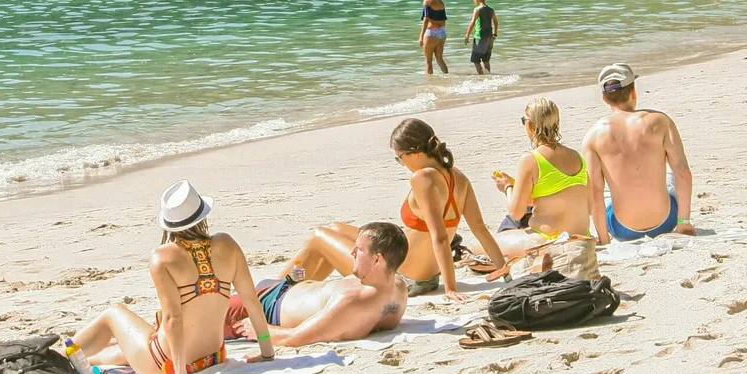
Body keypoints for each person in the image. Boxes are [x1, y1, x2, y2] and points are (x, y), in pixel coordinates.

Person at [284, 119, 509, 298]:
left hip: (400, 276)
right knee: (334, 229)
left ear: (415, 152)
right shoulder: (458, 177)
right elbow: (480, 229)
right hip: (426, 277)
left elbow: (440, 237)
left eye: (400, 158)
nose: (402, 163)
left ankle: (276, 292)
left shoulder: (422, 178)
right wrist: (503, 269)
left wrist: (450, 289)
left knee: (319, 237)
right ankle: (297, 286)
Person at [71, 180, 273, 374]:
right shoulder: (227, 244)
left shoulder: (162, 257)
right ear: (202, 214)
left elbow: (173, 318)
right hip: (214, 357)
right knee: (133, 342)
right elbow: (251, 301)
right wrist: (266, 352)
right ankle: (75, 359)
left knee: (113, 314)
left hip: (167, 364)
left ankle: (60, 356)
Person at [225, 221, 409, 346]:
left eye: (359, 250)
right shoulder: (398, 287)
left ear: (378, 259)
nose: (352, 252)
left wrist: (259, 330)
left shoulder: (352, 301)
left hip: (262, 306)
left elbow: (294, 338)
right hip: (286, 288)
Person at [583, 65, 695, 243]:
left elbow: (594, 193)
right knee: (674, 171)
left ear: (604, 98)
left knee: (603, 190)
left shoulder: (593, 136)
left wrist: (604, 239)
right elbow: (684, 173)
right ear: (633, 91)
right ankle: (680, 219)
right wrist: (683, 223)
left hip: (622, 229)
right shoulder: (661, 121)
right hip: (666, 221)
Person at [492, 97, 600, 279]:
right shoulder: (577, 157)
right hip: (582, 237)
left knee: (482, 245)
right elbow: (589, 207)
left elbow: (516, 212)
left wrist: (508, 187)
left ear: (530, 126)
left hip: (546, 239)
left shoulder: (530, 160)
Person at [464, 0, 498, 74]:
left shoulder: (477, 9)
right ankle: (488, 76)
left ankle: (482, 77)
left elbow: (472, 23)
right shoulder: (491, 10)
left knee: (476, 60)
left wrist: (467, 35)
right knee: (486, 60)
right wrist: (494, 35)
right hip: (489, 38)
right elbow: (496, 23)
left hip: (480, 37)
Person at [419, 0, 449, 75]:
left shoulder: (427, 2)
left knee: (428, 61)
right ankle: (447, 76)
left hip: (432, 33)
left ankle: (429, 85)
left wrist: (421, 36)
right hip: (442, 32)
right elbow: (443, 19)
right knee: (439, 58)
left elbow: (426, 20)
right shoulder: (440, 1)